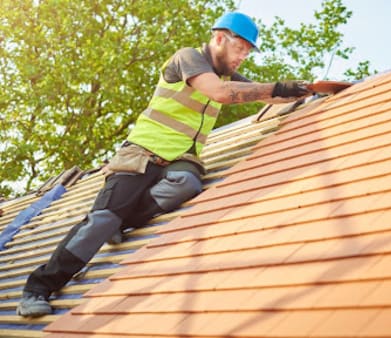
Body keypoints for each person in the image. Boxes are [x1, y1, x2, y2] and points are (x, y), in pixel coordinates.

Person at [17, 11, 309, 317]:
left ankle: (124, 221)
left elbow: (266, 96)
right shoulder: (188, 59)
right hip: (142, 154)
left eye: (248, 54)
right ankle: (37, 288)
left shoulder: (229, 77)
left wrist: (307, 90)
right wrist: (278, 88)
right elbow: (222, 94)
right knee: (100, 222)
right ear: (220, 38)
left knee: (188, 182)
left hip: (178, 161)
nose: (242, 58)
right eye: (240, 49)